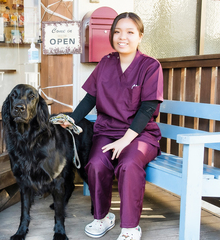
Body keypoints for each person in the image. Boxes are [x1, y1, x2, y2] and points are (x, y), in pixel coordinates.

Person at [61, 12, 163, 240]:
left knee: (128, 165)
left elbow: (148, 108)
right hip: (107, 133)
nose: (122, 37)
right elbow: (90, 98)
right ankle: (103, 218)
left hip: (140, 137)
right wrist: (72, 120)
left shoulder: (150, 66)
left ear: (140, 36)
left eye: (129, 32)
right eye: (117, 31)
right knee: (96, 163)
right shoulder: (106, 63)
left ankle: (130, 227)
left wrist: (126, 140)